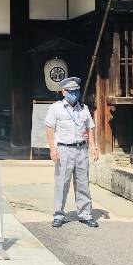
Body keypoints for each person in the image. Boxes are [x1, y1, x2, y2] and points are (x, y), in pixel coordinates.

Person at [45, 76, 100, 228]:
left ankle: (85, 214)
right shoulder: (55, 108)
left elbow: (89, 128)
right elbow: (49, 128)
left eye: (76, 91)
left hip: (81, 149)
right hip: (64, 149)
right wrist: (52, 149)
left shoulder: (84, 108)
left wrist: (93, 147)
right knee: (62, 183)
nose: (74, 94)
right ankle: (58, 214)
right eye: (71, 91)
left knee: (83, 183)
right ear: (64, 92)